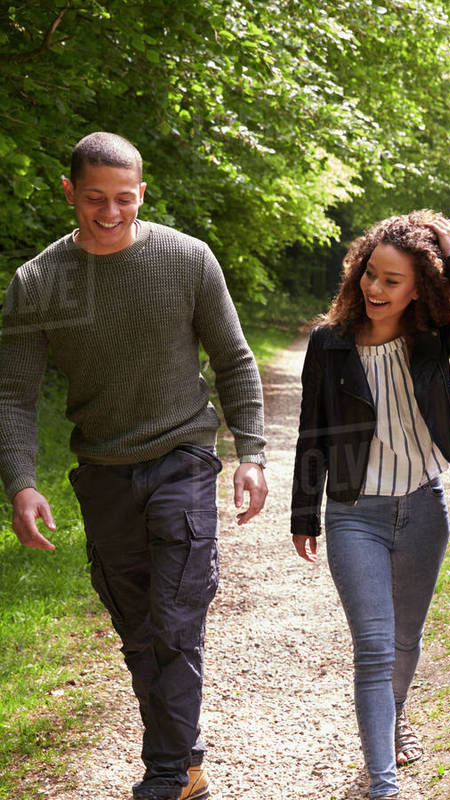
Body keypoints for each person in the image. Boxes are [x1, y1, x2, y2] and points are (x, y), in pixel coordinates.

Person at [0, 132, 267, 800]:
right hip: (104, 471)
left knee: (176, 620)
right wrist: (23, 482)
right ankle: (187, 761)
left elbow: (233, 359)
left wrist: (253, 454)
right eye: (96, 199)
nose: (111, 212)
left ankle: (167, 776)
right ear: (70, 192)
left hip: (182, 458)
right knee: (140, 628)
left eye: (125, 198)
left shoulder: (187, 259)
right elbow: (13, 394)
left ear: (142, 193)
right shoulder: (36, 283)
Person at [290, 211, 450, 799]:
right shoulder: (330, 343)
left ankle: (394, 715)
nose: (375, 290)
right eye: (370, 275)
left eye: (393, 281)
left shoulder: (431, 337)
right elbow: (313, 430)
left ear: (419, 288)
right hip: (356, 512)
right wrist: (305, 513)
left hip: (424, 506)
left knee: (406, 641)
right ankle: (383, 784)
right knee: (375, 646)